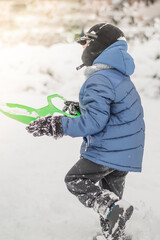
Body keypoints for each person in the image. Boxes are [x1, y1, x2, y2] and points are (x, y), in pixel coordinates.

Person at [26, 23, 145, 239]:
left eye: (88, 43)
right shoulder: (118, 76)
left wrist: (57, 124)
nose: (84, 48)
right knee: (110, 198)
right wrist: (78, 109)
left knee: (76, 180)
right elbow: (109, 111)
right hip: (127, 149)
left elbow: (94, 122)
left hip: (109, 149)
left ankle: (114, 212)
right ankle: (115, 235)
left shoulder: (98, 79)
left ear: (100, 47)